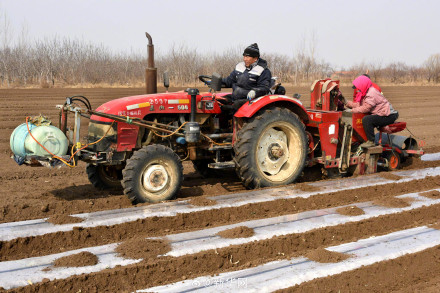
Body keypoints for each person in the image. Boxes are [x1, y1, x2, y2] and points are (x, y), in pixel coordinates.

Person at [340, 75, 398, 148]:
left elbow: (365, 108)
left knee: (367, 120)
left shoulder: (371, 93)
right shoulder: (365, 92)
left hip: (388, 115)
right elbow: (359, 105)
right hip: (382, 113)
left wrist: (351, 110)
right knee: (366, 118)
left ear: (362, 85)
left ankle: (371, 141)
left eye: (358, 87)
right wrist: (346, 102)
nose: (357, 89)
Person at [219, 43, 272, 112]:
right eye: (244, 56)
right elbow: (229, 80)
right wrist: (217, 81)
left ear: (255, 58)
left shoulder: (263, 71)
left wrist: (255, 91)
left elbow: (264, 87)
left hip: (251, 99)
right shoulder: (239, 67)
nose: (245, 59)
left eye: (247, 57)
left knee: (235, 106)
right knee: (218, 102)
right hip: (236, 97)